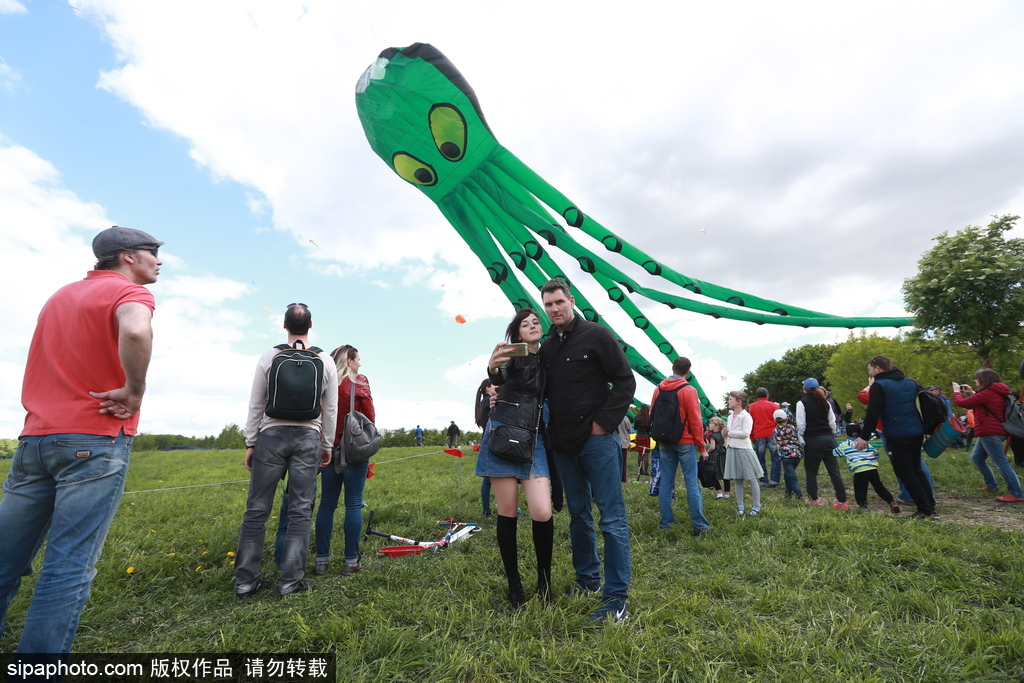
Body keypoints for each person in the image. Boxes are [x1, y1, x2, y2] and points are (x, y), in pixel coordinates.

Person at [0, 226, 162, 661]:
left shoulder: (59, 297)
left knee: (3, 560)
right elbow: (135, 332)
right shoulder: (130, 295)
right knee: (67, 566)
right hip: (95, 439)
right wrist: (135, 390)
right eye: (153, 252)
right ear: (128, 257)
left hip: (34, 441)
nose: (159, 260)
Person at [539, 278, 635, 623]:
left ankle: (616, 597)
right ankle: (587, 580)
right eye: (548, 305)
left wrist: (604, 423)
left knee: (611, 517)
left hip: (596, 440)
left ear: (571, 300)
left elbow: (626, 380)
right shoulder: (548, 346)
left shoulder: (596, 335)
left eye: (559, 302)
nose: (554, 310)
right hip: (563, 444)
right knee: (578, 515)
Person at [235, 304, 338, 596]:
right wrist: (326, 444)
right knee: (301, 510)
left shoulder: (270, 356)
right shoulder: (325, 360)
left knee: (256, 510)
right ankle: (291, 582)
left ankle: (245, 581)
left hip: (271, 436)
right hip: (309, 437)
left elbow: (256, 403)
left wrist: (251, 442)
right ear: (311, 325)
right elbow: (330, 409)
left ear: (284, 325)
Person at [475, 309, 553, 608]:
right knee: (507, 512)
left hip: (535, 441)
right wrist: (493, 369)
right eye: (525, 324)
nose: (532, 326)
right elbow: (500, 374)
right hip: (504, 436)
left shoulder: (549, 358)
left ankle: (544, 581)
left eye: (535, 322)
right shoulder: (513, 358)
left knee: (542, 511)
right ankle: (514, 585)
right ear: (517, 333)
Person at [313, 345, 376, 577]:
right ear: (349, 361)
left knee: (326, 505)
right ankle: (351, 561)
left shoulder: (325, 383)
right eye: (358, 359)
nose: (360, 364)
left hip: (328, 448)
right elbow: (369, 416)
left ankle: (322, 560)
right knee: (353, 503)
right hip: (353, 450)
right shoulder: (359, 382)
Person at [859, 355, 936, 520]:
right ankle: (930, 506)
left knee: (906, 472)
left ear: (878, 368)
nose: (870, 372)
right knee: (917, 469)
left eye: (870, 369)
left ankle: (925, 510)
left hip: (897, 433)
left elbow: (873, 413)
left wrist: (864, 436)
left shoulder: (879, 385)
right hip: (916, 431)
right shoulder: (910, 381)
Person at [650, 357, 711, 535]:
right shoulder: (689, 390)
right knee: (691, 483)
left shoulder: (658, 388)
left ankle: (666, 522)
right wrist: (701, 446)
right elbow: (695, 420)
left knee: (667, 482)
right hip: (685, 442)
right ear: (688, 371)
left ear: (672, 368)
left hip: (664, 441)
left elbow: (654, 413)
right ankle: (699, 526)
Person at [952, 370, 1024, 502]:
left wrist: (957, 391)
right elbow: (984, 402)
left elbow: (962, 403)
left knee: (1001, 463)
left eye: (976, 378)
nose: (975, 381)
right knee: (977, 458)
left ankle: (1017, 494)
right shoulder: (997, 391)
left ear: (983, 379)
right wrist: (972, 393)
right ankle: (992, 486)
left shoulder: (988, 393)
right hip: (993, 431)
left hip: (990, 432)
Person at [797, 378, 848, 509]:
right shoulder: (825, 402)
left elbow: (801, 423)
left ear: (804, 388)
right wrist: (833, 435)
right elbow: (832, 421)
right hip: (828, 438)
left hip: (812, 439)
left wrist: (800, 436)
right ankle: (842, 501)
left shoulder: (802, 403)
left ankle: (813, 499)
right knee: (834, 471)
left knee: (811, 471)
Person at [834, 424, 899, 513]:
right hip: (872, 469)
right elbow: (876, 454)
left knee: (860, 489)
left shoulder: (845, 445)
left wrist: (834, 443)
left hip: (860, 471)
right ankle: (891, 501)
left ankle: (863, 506)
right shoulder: (867, 444)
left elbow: (836, 453)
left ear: (847, 435)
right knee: (879, 486)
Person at [722, 391, 762, 516]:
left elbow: (746, 433)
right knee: (737, 478)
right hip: (732, 448)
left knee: (751, 478)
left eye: (730, 399)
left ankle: (756, 505)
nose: (728, 401)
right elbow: (729, 432)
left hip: (744, 449)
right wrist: (725, 433)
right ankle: (740, 505)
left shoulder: (746, 416)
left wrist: (729, 433)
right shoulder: (729, 416)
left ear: (738, 401)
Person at [749, 388, 781, 486]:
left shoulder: (751, 407)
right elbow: (778, 420)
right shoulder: (774, 406)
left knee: (760, 458)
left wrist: (752, 436)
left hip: (758, 434)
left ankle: (763, 480)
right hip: (772, 433)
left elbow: (750, 423)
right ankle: (774, 480)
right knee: (775, 457)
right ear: (767, 395)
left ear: (757, 396)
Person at [475, 379, 497, 517]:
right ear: (488, 388)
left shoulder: (484, 401)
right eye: (495, 385)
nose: (497, 387)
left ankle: (489, 509)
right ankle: (487, 511)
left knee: (491, 478)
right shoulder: (488, 401)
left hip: (489, 440)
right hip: (491, 441)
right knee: (489, 479)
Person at [772, 409, 803, 500]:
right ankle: (788, 493)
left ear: (775, 420)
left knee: (792, 476)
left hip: (785, 456)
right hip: (797, 454)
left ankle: (799, 495)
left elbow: (777, 442)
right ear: (786, 418)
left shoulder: (776, 430)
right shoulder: (793, 428)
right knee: (788, 474)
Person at [706, 416, 730, 499]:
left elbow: (712, 447)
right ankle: (727, 494)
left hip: (715, 455)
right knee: (725, 473)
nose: (709, 425)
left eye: (711, 423)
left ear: (717, 426)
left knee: (714, 473)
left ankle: (719, 493)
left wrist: (707, 452)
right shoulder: (722, 434)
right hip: (723, 453)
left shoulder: (712, 435)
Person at [634, 404, 652, 479]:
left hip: (639, 436)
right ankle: (646, 471)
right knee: (646, 455)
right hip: (646, 437)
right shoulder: (648, 418)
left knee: (639, 453)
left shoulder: (637, 418)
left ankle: (640, 470)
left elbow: (635, 427)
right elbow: (649, 429)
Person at [616, 414, 632, 483]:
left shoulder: (616, 418)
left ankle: (617, 476)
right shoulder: (626, 419)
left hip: (617, 441)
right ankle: (623, 478)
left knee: (616, 461)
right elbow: (630, 430)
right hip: (624, 442)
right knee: (623, 461)